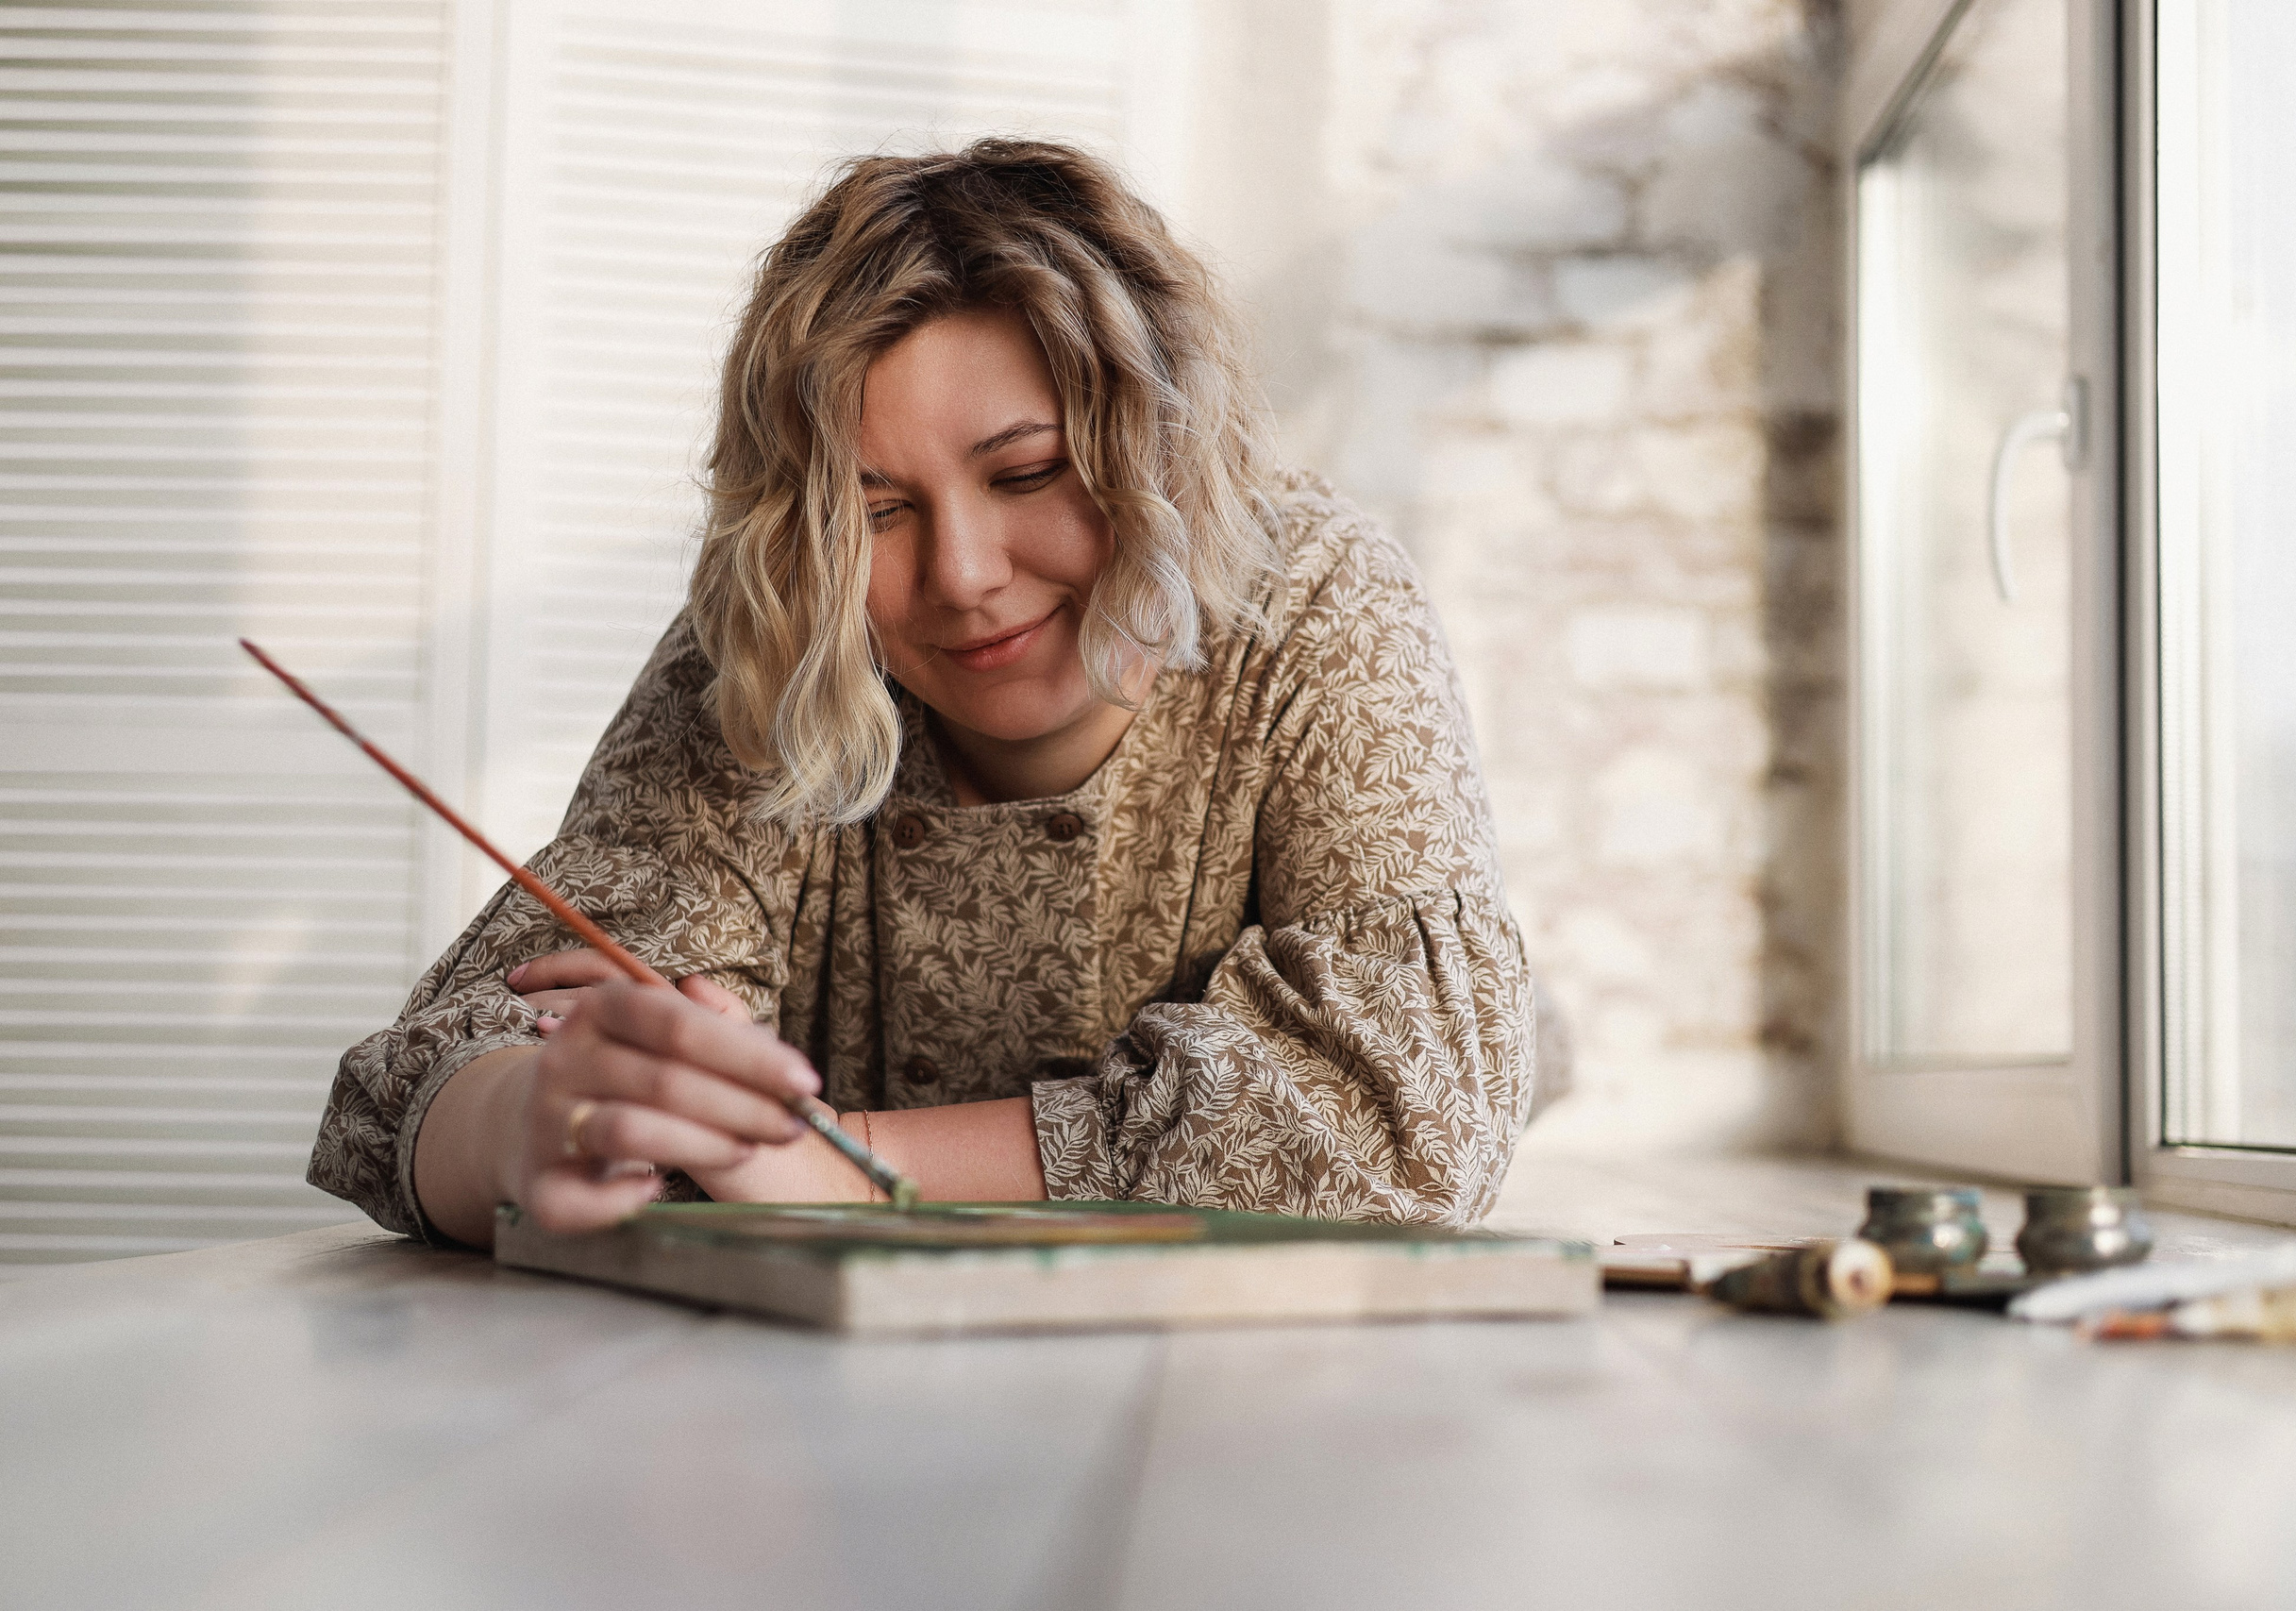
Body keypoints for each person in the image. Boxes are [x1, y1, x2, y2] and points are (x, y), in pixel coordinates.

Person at [309, 140, 1533, 1249]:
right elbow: (422, 1083)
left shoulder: (1312, 589)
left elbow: (1409, 1116)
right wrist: (526, 1121)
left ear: (1165, 450)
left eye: (1030, 473)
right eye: (878, 511)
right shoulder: (787, 625)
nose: (963, 577)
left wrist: (861, 1172)